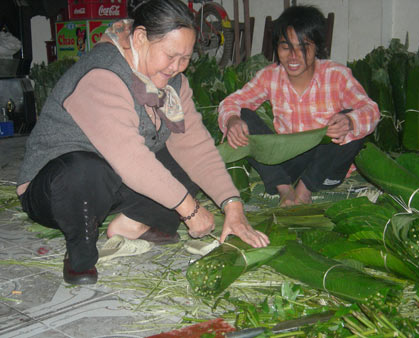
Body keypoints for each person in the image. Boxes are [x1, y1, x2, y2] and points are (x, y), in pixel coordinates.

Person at [16, 0, 269, 285]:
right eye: (171, 55)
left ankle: (131, 222)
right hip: (58, 190)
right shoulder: (103, 74)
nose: (177, 67)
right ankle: (80, 251)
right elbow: (130, 159)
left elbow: (196, 146)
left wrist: (233, 207)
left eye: (185, 58)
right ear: (140, 38)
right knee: (86, 170)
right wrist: (191, 211)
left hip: (112, 182)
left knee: (186, 163)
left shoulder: (173, 84)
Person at [218, 5, 380, 206]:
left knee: (352, 120)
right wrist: (233, 120)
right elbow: (232, 101)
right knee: (242, 115)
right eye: (286, 47)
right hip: (286, 166)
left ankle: (305, 190)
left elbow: (371, 110)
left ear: (317, 48)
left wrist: (349, 121)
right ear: (277, 48)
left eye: (303, 47)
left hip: (325, 169)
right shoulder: (270, 76)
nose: (293, 56)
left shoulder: (337, 75)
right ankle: (284, 188)